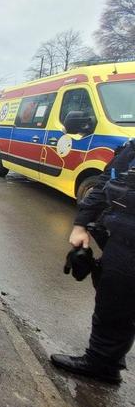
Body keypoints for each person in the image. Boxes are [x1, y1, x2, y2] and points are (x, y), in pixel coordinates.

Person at [51, 139, 135, 385]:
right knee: (113, 300)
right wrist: (81, 224)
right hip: (121, 240)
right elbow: (104, 182)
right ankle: (103, 363)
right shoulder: (130, 149)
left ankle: (103, 362)